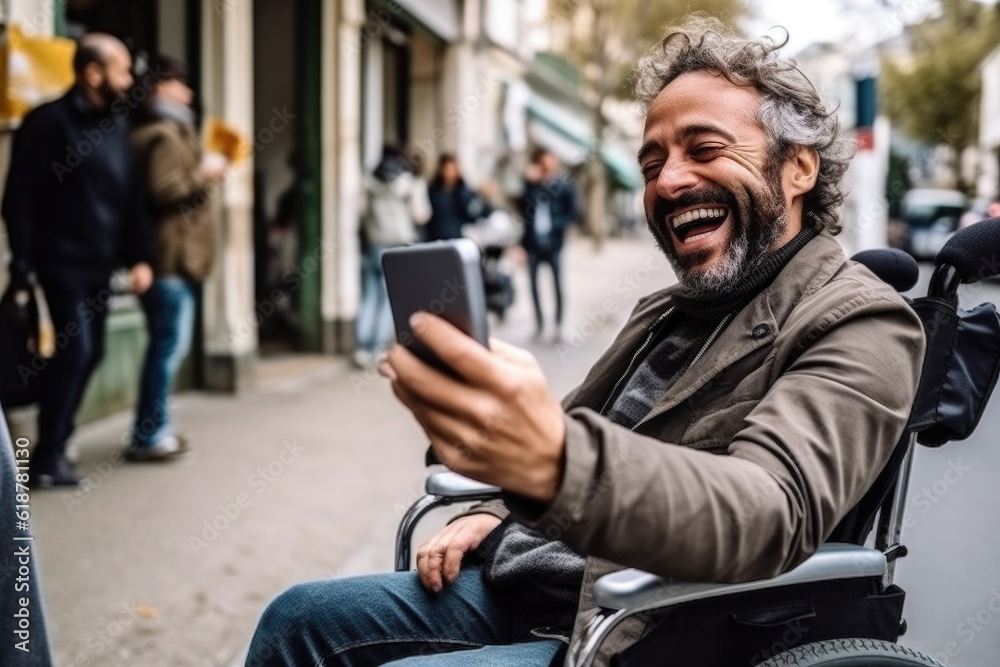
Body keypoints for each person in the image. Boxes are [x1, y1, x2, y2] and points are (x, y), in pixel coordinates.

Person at [247, 16, 925, 666]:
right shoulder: (668, 310)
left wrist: (552, 463)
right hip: (531, 577)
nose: (668, 181)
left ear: (799, 167)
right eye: (652, 161)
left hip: (640, 627)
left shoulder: (863, 323)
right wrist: (490, 499)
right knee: (297, 617)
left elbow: (768, 508)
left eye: (705, 149)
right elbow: (564, 431)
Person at [2, 33, 153, 487]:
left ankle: (54, 444)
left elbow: (130, 201)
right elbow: (19, 199)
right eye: (122, 70)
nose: (129, 80)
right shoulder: (46, 123)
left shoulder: (117, 127)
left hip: (99, 267)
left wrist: (140, 257)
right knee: (76, 350)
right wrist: (24, 262)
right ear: (92, 73)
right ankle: (45, 455)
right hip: (58, 266)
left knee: (90, 353)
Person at [126, 56, 224, 461]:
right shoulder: (162, 133)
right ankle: (150, 434)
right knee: (168, 349)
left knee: (167, 348)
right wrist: (205, 172)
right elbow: (164, 191)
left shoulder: (174, 129)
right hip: (169, 260)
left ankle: (153, 429)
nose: (188, 90)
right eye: (179, 82)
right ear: (159, 87)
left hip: (177, 260)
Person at [354, 145, 431, 368]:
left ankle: (362, 346)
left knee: (369, 295)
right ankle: (378, 346)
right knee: (389, 297)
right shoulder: (410, 184)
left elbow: (360, 212)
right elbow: (421, 215)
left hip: (375, 243)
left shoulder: (368, 182)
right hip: (399, 245)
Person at [521, 148, 579, 340]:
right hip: (533, 243)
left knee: (556, 284)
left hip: (554, 242)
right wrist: (529, 182)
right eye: (543, 163)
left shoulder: (563, 185)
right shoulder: (534, 185)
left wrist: (556, 225)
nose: (547, 166)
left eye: (550, 162)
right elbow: (523, 208)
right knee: (533, 285)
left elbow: (573, 213)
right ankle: (539, 324)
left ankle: (558, 325)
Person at [425, 154, 481, 241]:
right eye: (448, 170)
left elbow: (474, 214)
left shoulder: (464, 192)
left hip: (458, 237)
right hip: (437, 238)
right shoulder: (433, 192)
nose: (451, 174)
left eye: (453, 170)